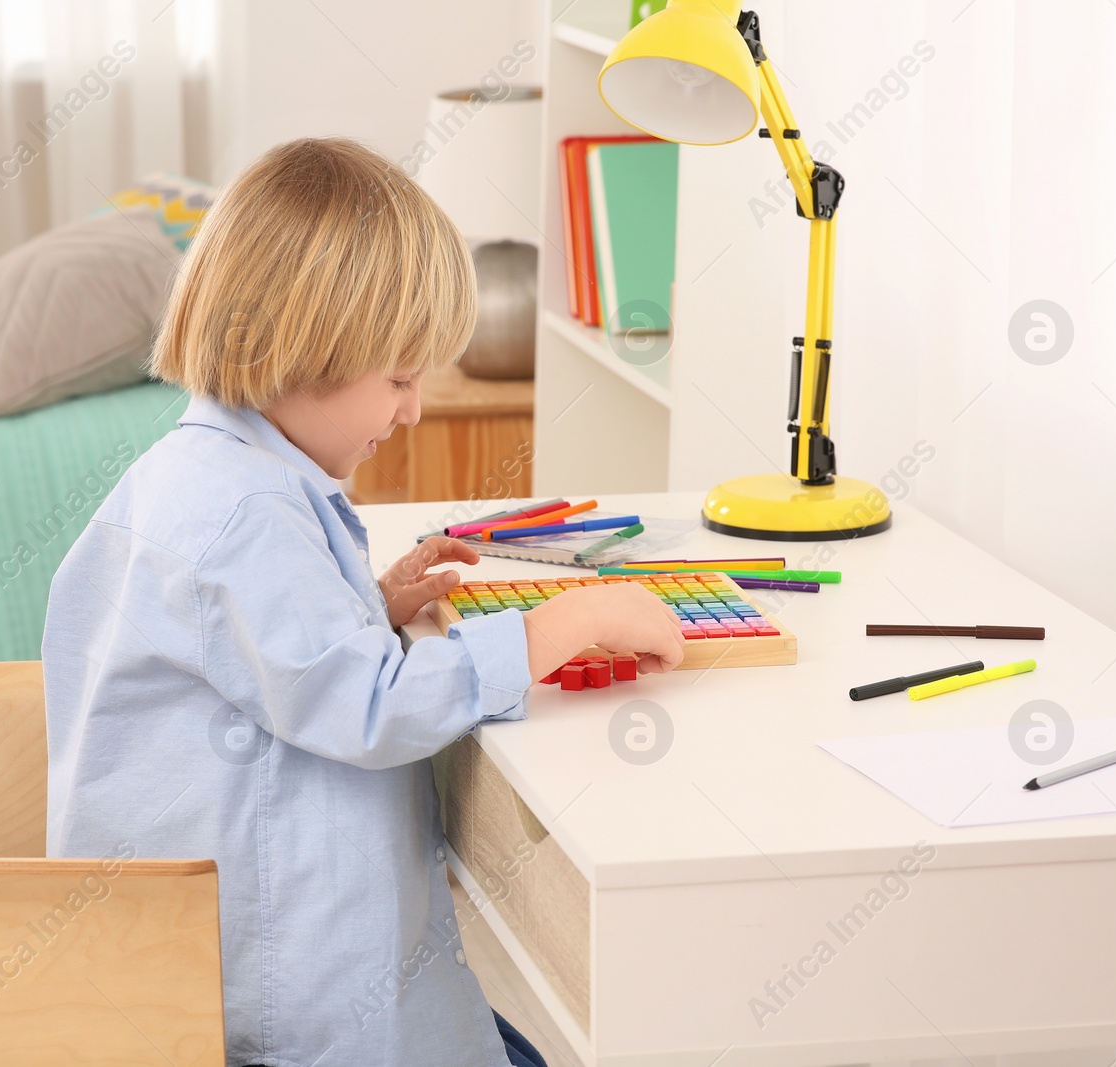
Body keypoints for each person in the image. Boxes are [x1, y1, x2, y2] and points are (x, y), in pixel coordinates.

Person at [43, 136, 685, 1066]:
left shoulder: (203, 476)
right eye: (399, 379)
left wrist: (369, 606)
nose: (415, 411)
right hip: (275, 1010)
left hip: (189, 961)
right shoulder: (249, 514)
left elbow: (253, 655)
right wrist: (563, 623)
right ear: (297, 354)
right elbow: (369, 706)